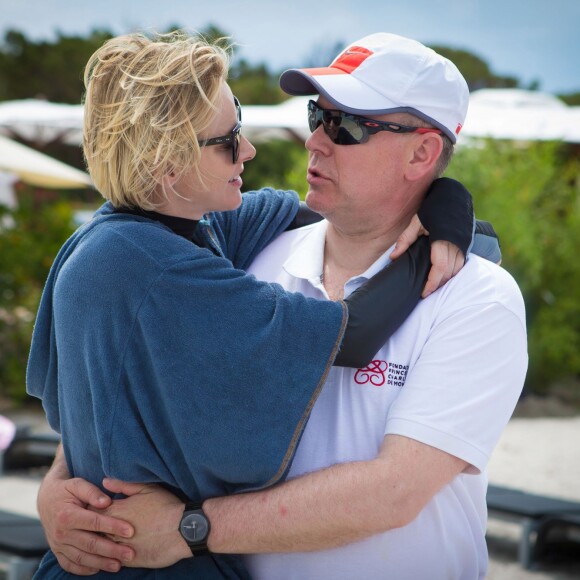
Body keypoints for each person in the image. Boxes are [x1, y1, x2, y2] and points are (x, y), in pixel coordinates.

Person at [34, 33, 525, 580]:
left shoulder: (479, 299)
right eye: (317, 115)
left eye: (346, 126)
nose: (312, 140)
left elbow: (393, 493)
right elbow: (119, 391)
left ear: (423, 153)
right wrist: (59, 490)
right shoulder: (233, 258)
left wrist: (454, 211)